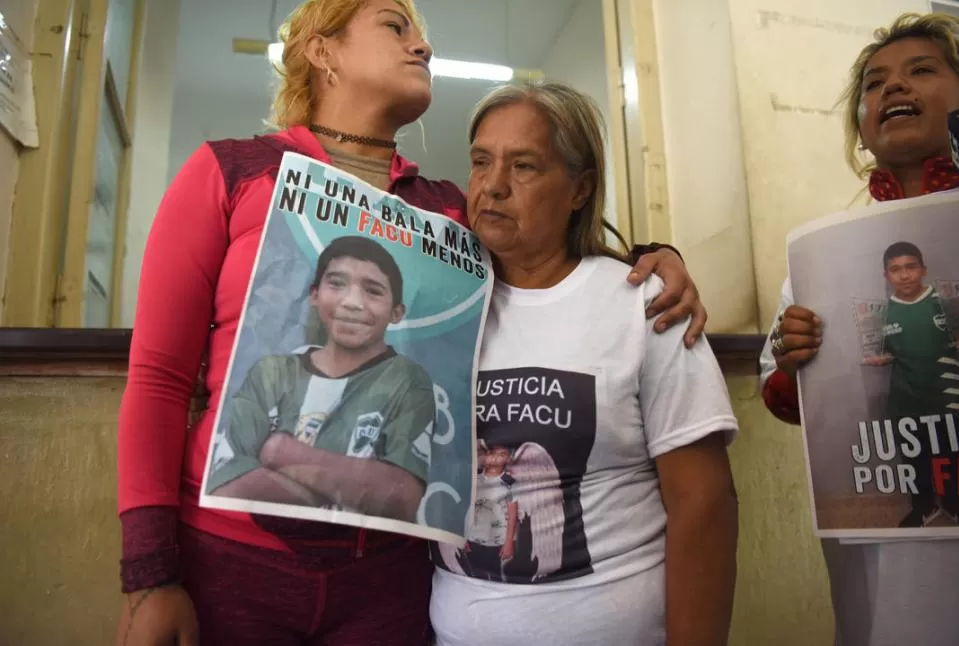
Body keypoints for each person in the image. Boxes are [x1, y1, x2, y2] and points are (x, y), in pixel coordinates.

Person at [115, 1, 710, 644]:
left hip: (392, 578)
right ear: (323, 50)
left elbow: (550, 257)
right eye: (397, 26)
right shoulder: (230, 173)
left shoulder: (449, 213)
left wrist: (654, 259)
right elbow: (157, 379)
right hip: (234, 561)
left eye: (422, 33)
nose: (422, 45)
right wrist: (150, 575)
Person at [429, 82, 739, 646]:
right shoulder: (439, 307)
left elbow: (704, 502)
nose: (493, 186)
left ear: (580, 189)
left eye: (524, 166)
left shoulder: (644, 304)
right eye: (480, 162)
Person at [761, 12, 959, 646]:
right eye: (875, 84)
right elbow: (786, 399)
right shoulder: (826, 253)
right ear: (860, 124)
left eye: (922, 70)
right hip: (886, 569)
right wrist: (795, 359)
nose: (895, 88)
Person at [206, 236, 435, 522]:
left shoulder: (407, 380)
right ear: (314, 295)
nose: (352, 302)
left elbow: (400, 498)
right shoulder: (272, 373)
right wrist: (342, 489)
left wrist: (283, 453)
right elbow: (226, 487)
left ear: (396, 312)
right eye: (337, 283)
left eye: (373, 291)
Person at [861, 241, 959, 527]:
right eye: (895, 270)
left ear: (923, 269)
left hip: (948, 397)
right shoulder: (882, 315)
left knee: (950, 456)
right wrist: (879, 359)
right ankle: (922, 507)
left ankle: (954, 503)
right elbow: (881, 350)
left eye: (911, 267)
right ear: (886, 276)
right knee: (915, 459)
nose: (905, 275)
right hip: (906, 401)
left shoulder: (945, 303)